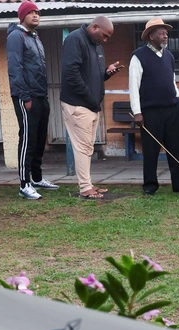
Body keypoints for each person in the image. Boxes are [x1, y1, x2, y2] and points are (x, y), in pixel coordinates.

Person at [129, 18, 179, 196]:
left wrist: (178, 98)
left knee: (178, 147)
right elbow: (133, 86)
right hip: (150, 111)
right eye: (161, 32)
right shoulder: (138, 56)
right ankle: (150, 185)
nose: (166, 35)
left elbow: (172, 81)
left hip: (173, 108)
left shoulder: (169, 56)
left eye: (166, 32)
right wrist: (137, 112)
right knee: (150, 149)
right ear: (151, 36)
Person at [61, 16, 121, 200]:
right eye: (104, 35)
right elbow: (71, 72)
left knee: (87, 147)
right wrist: (88, 96)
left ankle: (87, 183)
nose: (105, 40)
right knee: (82, 147)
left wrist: (106, 73)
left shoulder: (97, 46)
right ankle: (85, 187)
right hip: (78, 104)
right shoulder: (74, 39)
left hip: (92, 104)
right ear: (94, 27)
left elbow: (93, 75)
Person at [7, 1, 59, 199]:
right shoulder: (16, 36)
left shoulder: (35, 38)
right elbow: (15, 69)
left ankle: (37, 178)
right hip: (26, 96)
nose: (36, 15)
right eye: (31, 13)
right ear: (22, 16)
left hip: (40, 95)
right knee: (28, 139)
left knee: (39, 138)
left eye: (37, 12)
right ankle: (24, 183)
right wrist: (25, 96)